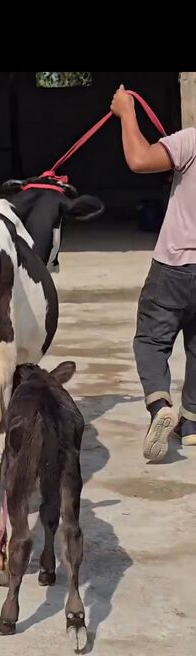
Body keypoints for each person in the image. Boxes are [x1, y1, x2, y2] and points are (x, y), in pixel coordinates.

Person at [111, 85, 196, 461]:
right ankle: (191, 425)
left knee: (151, 341)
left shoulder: (192, 141)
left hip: (175, 265)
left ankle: (160, 404)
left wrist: (126, 112)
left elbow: (140, 159)